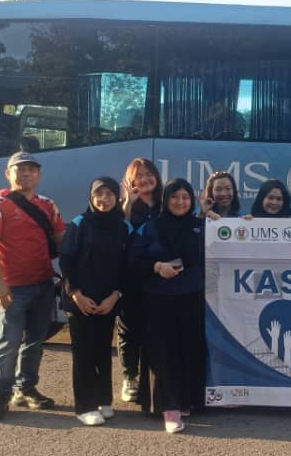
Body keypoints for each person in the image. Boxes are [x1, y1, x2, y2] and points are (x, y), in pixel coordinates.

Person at [0, 151, 65, 422]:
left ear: (38, 175)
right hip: (13, 288)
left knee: (35, 342)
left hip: (43, 284)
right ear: (9, 174)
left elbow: (62, 242)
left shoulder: (48, 205)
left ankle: (26, 389)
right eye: (20, 169)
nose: (26, 173)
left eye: (31, 169)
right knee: (9, 342)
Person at [130, 178, 207, 433]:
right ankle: (169, 408)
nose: (180, 202)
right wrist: (156, 267)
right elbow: (133, 261)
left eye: (185, 197)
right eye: (174, 196)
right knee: (164, 353)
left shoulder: (199, 226)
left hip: (192, 296)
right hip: (158, 298)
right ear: (165, 199)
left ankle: (186, 400)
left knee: (189, 350)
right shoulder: (149, 227)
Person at [59, 177, 132, 426]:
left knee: (102, 350)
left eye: (110, 194)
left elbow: (127, 266)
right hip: (81, 299)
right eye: (99, 194)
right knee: (83, 353)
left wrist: (115, 296)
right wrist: (76, 294)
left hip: (108, 300)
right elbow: (66, 260)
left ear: (117, 197)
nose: (104, 199)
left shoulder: (123, 227)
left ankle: (104, 400)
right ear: (91, 197)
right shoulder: (80, 223)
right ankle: (85, 406)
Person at [117, 157, 162, 406]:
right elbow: (118, 234)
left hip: (159, 276)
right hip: (132, 277)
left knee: (154, 329)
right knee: (129, 329)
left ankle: (150, 379)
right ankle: (129, 378)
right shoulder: (126, 206)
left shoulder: (166, 202)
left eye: (149, 174)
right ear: (130, 180)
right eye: (139, 175)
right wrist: (127, 203)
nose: (145, 179)